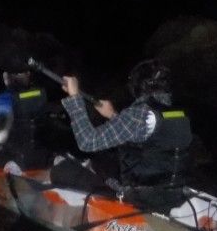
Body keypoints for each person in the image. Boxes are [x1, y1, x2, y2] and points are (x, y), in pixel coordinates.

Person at [50, 59, 194, 191]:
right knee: (103, 163)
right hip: (172, 191)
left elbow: (88, 141)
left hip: (142, 197)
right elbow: (145, 137)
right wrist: (113, 115)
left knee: (61, 171)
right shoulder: (177, 114)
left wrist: (74, 97)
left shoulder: (139, 113)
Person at [0, 70, 51, 172]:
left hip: (10, 162)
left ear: (6, 78)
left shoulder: (2, 100)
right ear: (28, 75)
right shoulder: (39, 95)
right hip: (40, 159)